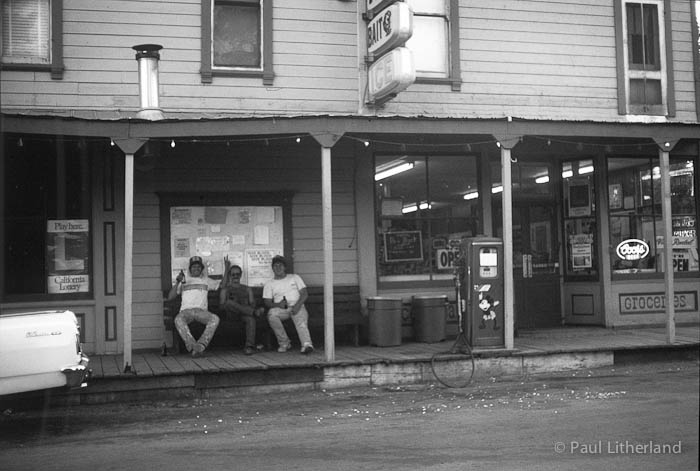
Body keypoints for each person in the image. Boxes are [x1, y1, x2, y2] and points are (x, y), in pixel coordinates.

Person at [167, 255, 220, 357]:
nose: (196, 268)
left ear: (202, 269)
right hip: (186, 312)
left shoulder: (206, 280)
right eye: (194, 266)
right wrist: (178, 281)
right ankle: (193, 347)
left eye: (199, 267)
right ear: (190, 269)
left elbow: (222, 285)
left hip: (201, 312)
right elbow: (170, 297)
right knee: (178, 319)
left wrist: (226, 269)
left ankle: (200, 346)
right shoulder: (184, 280)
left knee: (215, 319)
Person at [263, 255, 314, 354]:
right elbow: (267, 302)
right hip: (282, 309)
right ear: (272, 268)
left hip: (297, 306)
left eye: (280, 265)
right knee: (271, 315)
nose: (278, 268)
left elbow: (304, 294)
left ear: (285, 267)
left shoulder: (294, 277)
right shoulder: (269, 284)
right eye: (275, 266)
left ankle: (307, 345)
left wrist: (297, 306)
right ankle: (284, 343)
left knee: (300, 321)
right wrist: (278, 305)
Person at [219, 257, 263, 355]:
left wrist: (251, 307)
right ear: (230, 275)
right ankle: (254, 313)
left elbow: (252, 303)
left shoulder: (247, 289)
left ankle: (249, 346)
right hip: (231, 315)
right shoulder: (226, 289)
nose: (235, 276)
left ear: (241, 275)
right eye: (233, 274)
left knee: (251, 319)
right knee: (229, 302)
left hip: (244, 315)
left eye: (238, 274)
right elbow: (222, 305)